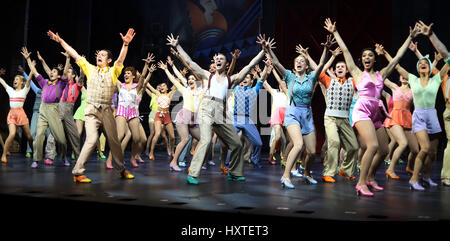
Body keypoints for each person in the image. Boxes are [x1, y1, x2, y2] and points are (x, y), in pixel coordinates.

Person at [324, 18, 419, 196]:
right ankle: (361, 183)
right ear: (362, 60)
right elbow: (345, 51)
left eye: (370, 56)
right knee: (372, 146)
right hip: (362, 112)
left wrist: (409, 37)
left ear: (375, 59)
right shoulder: (357, 73)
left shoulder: (381, 74)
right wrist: (335, 32)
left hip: (377, 113)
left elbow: (397, 57)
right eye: (364, 56)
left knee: (383, 149)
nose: (367, 58)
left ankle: (370, 177)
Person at [167, 33, 266, 184]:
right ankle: (193, 174)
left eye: (222, 59)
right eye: (216, 59)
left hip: (221, 111)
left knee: (236, 144)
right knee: (206, 140)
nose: (218, 60)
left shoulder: (231, 79)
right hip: (207, 107)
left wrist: (263, 51)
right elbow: (190, 62)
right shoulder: (208, 76)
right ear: (214, 61)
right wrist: (178, 46)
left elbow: (249, 66)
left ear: (226, 64)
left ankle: (234, 172)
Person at [47, 28, 136, 182]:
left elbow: (120, 60)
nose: (99, 56)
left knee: (114, 141)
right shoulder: (90, 69)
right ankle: (78, 172)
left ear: (108, 60)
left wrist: (125, 45)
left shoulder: (113, 71)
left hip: (107, 111)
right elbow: (74, 53)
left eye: (103, 55)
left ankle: (121, 169)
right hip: (91, 111)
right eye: (98, 54)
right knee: (91, 139)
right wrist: (60, 41)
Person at [267, 34, 332, 188]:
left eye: (302, 61)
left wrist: (326, 49)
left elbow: (322, 63)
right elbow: (276, 63)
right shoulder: (289, 76)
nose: (299, 63)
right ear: (294, 64)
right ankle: (285, 175)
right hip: (293, 113)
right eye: (297, 61)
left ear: (306, 64)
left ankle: (307, 173)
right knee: (298, 144)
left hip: (307, 114)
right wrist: (268, 49)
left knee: (311, 152)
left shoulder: (312, 77)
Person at [376, 44, 419, 180]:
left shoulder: (413, 90)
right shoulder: (394, 87)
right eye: (401, 76)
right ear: (399, 78)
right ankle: (390, 169)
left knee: (416, 150)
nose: (403, 77)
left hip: (407, 118)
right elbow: (383, 73)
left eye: (405, 76)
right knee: (402, 143)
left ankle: (410, 167)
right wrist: (381, 55)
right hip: (394, 117)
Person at [22, 47, 70, 168]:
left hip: (54, 110)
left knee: (62, 140)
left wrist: (68, 59)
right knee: (38, 136)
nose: (51, 73)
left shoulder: (61, 83)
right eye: (51, 72)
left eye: (54, 72)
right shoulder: (45, 83)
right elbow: (35, 71)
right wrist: (28, 59)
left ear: (58, 76)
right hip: (43, 109)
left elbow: (64, 73)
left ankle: (64, 158)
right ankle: (36, 159)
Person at [0, 62, 33, 163]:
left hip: (21, 114)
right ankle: (4, 154)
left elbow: (29, 80)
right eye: (14, 79)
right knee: (12, 133)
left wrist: (32, 69)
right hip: (12, 114)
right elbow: (2, 82)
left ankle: (34, 151)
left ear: (22, 83)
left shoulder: (24, 90)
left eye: (17, 79)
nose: (15, 81)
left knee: (29, 137)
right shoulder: (10, 90)